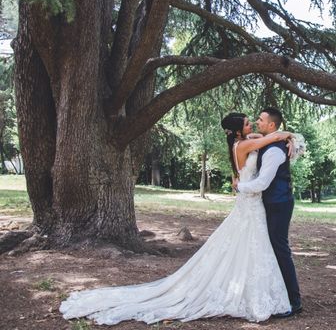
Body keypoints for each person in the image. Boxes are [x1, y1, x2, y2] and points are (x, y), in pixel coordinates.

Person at [59, 112, 292, 324]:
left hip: (250, 204)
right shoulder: (247, 144)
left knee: (248, 247)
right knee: (251, 245)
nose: (252, 123)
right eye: (248, 123)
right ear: (240, 130)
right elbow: (269, 139)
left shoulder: (240, 142)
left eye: (254, 121)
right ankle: (253, 294)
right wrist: (289, 135)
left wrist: (288, 140)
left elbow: (264, 141)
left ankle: (248, 290)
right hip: (249, 202)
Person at [233, 107, 302, 317]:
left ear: (271, 125)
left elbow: (262, 182)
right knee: (271, 248)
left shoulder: (274, 150)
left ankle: (294, 301)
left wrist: (239, 187)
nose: (257, 122)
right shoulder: (267, 141)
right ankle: (279, 293)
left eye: (260, 120)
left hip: (279, 203)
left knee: (280, 249)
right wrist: (290, 136)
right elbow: (255, 138)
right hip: (271, 203)